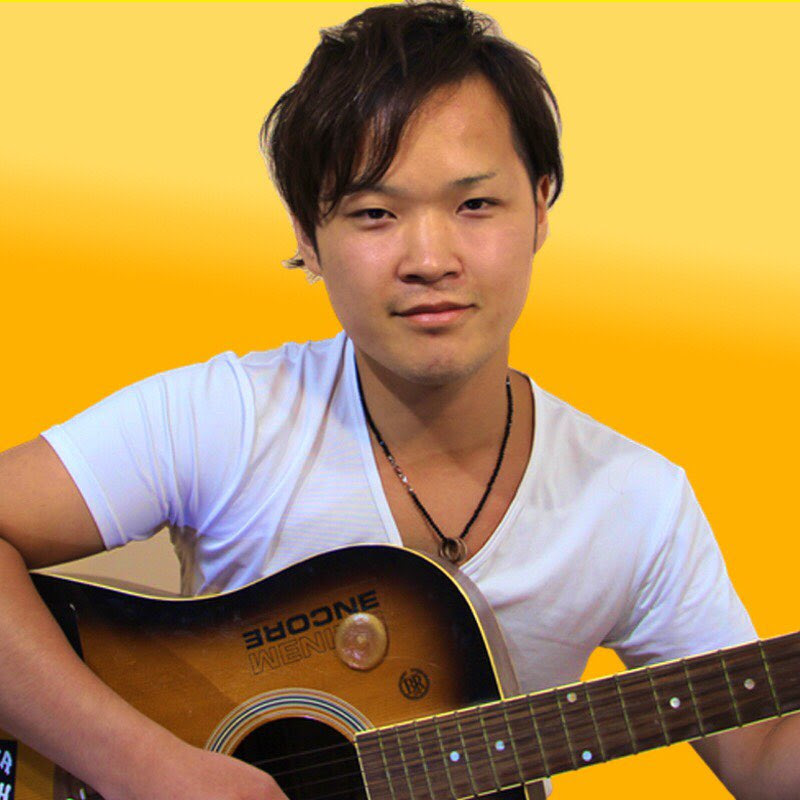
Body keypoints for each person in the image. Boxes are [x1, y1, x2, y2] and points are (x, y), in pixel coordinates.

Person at [0, 2, 798, 799]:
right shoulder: (228, 417)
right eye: (375, 214)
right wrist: (144, 767)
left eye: (474, 205)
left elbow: (763, 760)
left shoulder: (634, 502)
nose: (430, 258)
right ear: (308, 238)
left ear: (541, 206)